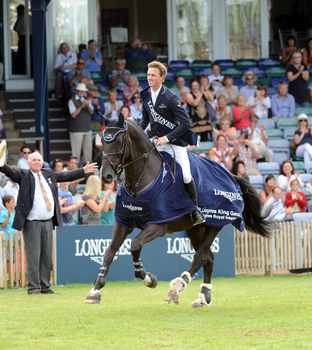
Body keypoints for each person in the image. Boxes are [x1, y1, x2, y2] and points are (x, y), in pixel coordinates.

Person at [0, 147, 98, 294]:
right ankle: (33, 288)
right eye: (34, 160)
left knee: (47, 257)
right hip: (32, 223)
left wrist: (83, 170)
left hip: (48, 222)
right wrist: (1, 162)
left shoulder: (48, 173)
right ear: (28, 162)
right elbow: (9, 171)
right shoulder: (24, 175)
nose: (37, 162)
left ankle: (45, 287)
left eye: (39, 160)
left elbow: (66, 175)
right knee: (33, 257)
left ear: (42, 162)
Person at [140, 60, 205, 225]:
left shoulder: (170, 97)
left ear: (162, 77)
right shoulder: (145, 94)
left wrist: (166, 138)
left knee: (185, 175)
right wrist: (140, 135)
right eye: (148, 75)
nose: (149, 78)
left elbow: (186, 124)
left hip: (174, 143)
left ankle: (195, 210)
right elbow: (146, 119)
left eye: (153, 75)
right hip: (154, 140)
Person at [68, 83, 93, 164]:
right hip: (76, 131)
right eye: (81, 91)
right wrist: (81, 106)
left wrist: (88, 105)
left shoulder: (86, 99)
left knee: (88, 153)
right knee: (76, 154)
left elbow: (91, 112)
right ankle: (75, 172)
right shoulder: (72, 101)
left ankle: (89, 173)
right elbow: (73, 115)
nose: (82, 93)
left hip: (87, 130)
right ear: (77, 91)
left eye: (83, 91)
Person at [186, 78, 214, 142]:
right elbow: (194, 103)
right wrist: (201, 93)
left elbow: (211, 98)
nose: (195, 87)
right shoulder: (189, 95)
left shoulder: (203, 92)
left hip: (205, 121)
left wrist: (206, 90)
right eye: (193, 86)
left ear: (199, 85)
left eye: (196, 86)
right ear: (191, 86)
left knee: (205, 140)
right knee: (196, 141)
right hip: (195, 122)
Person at [0, 195, 18, 272]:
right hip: (6, 240)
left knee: (13, 258)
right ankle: (7, 277)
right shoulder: (3, 213)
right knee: (8, 259)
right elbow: (2, 226)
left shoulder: (14, 213)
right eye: (13, 202)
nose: (14, 203)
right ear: (6, 203)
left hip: (14, 240)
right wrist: (8, 217)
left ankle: (10, 276)